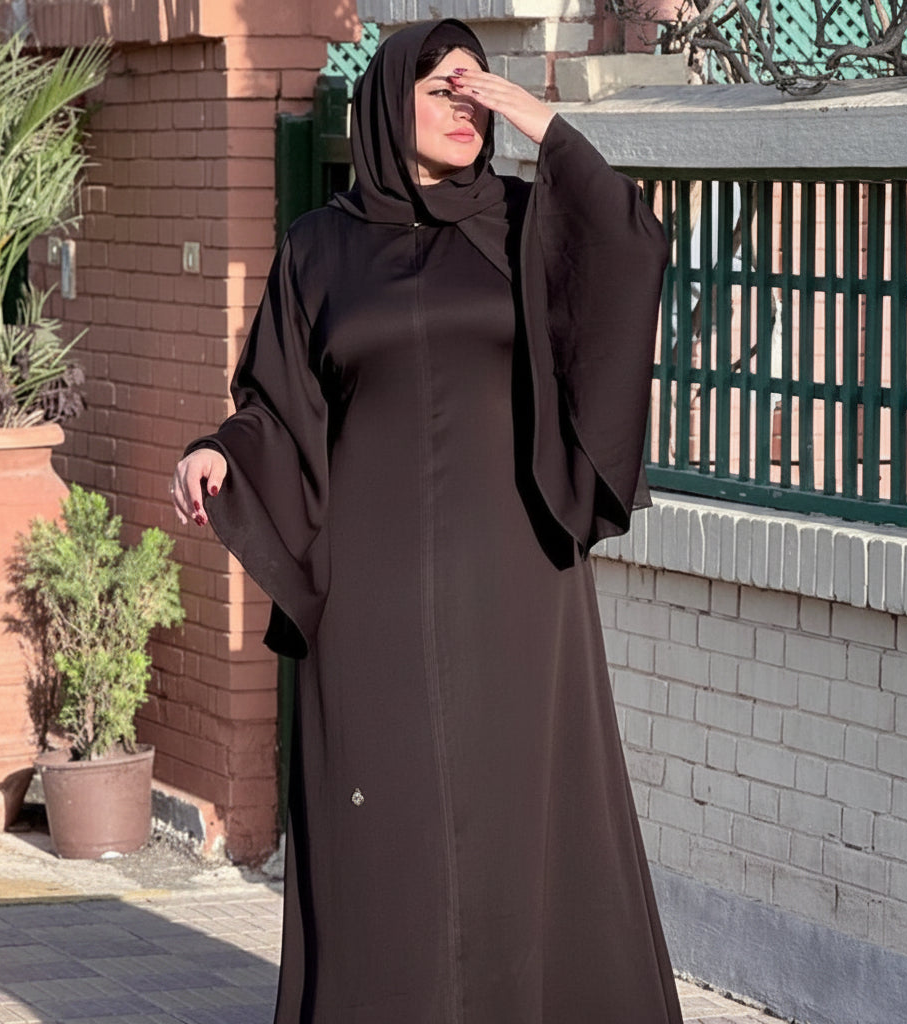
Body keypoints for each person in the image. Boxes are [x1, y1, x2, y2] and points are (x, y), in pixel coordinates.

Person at [171, 18, 680, 1024]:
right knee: (383, 831)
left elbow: (629, 245)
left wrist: (542, 122)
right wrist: (218, 450)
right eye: (445, 85)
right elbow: (279, 404)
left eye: (478, 87)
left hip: (518, 577)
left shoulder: (527, 224)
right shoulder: (321, 245)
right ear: (386, 98)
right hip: (373, 585)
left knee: (520, 824)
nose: (466, 103)